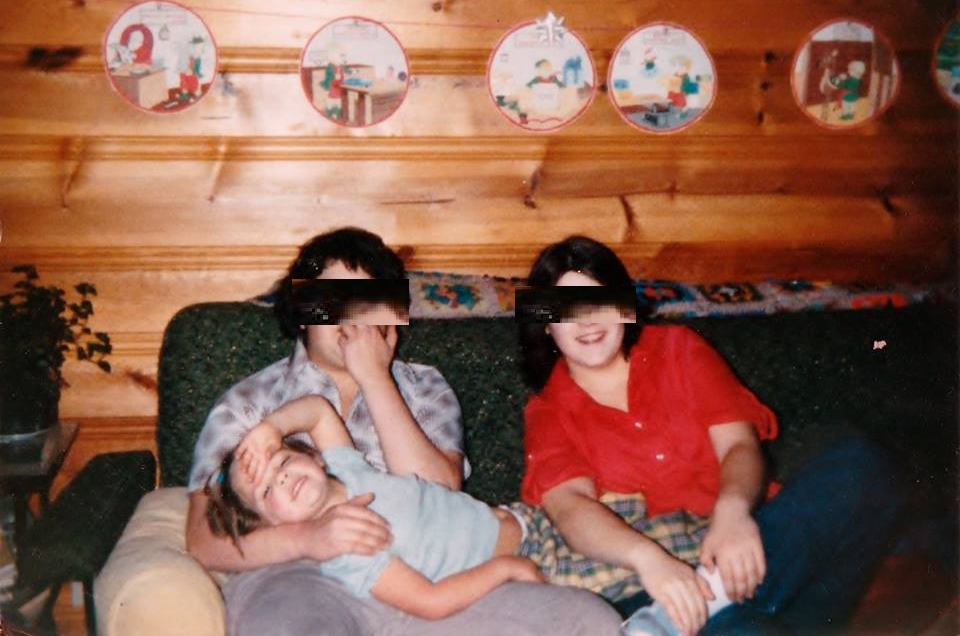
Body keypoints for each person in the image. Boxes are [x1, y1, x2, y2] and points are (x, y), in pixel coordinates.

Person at [185, 227, 621, 636]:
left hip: (435, 576)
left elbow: (438, 489)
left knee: (588, 620)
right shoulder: (249, 403)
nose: (350, 317)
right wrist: (308, 539)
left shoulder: (425, 387)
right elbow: (204, 541)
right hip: (298, 576)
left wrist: (375, 378)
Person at [518, 235, 906, 636]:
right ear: (545, 325)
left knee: (862, 465)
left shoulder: (678, 349)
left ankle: (698, 615)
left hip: (753, 543)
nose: (586, 322)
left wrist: (733, 513)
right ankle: (697, 614)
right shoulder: (548, 411)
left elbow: (738, 444)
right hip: (661, 588)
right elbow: (570, 508)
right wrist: (650, 560)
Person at [207, 394, 553, 619]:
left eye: (282, 461)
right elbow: (429, 602)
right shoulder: (348, 548)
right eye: (267, 490)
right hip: (522, 564)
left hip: (527, 518)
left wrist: (271, 428)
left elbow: (318, 411)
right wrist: (507, 568)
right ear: (272, 525)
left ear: (314, 457)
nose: (281, 477)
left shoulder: (347, 468)